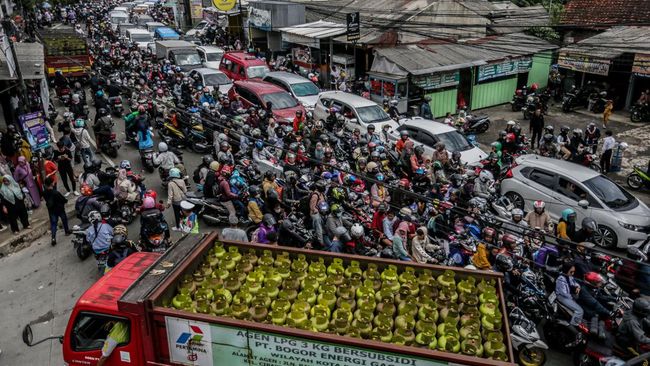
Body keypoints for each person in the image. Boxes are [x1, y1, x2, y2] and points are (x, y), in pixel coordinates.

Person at [43, 177, 70, 246]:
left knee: (53, 224)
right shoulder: (56, 192)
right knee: (64, 219)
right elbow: (63, 199)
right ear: (52, 183)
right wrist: (66, 201)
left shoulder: (44, 193)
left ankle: (53, 238)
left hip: (51, 210)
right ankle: (67, 231)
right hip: (60, 209)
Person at [555, 262, 584, 327]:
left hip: (568, 295)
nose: (573, 274)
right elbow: (564, 293)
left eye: (573, 272)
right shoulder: (561, 279)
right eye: (571, 272)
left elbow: (574, 283)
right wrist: (573, 298)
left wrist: (578, 287)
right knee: (580, 311)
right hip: (562, 297)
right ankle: (573, 325)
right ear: (566, 270)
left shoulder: (569, 277)